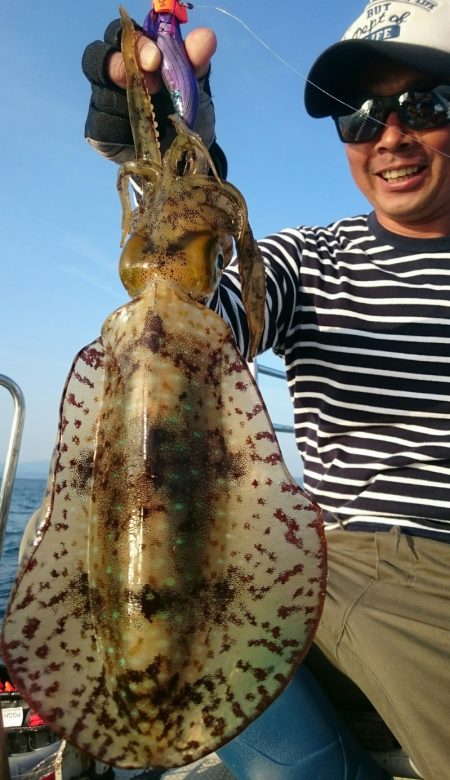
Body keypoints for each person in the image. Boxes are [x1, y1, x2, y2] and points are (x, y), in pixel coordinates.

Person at [81, 2, 450, 778]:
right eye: (360, 116)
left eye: (426, 105)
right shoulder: (309, 262)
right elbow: (196, 326)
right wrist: (184, 174)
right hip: (363, 559)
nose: (389, 136)